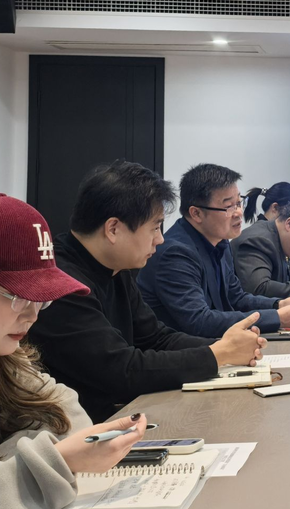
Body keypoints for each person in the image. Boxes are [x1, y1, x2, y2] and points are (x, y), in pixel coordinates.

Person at [0, 194, 150, 509]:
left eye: (41, 298)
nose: (32, 314)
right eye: (16, 295)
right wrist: (50, 463)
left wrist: (42, 458)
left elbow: (67, 417)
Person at [28, 161, 267, 421]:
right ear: (113, 229)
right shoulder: (61, 282)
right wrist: (218, 354)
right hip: (82, 429)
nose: (160, 239)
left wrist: (224, 345)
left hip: (121, 416)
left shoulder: (115, 267)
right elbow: (121, 371)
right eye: (154, 227)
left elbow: (156, 338)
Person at [137, 164, 290, 338]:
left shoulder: (220, 242)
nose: (238, 213)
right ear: (196, 213)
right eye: (229, 206)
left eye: (239, 203)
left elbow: (236, 298)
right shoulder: (176, 253)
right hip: (185, 350)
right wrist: (277, 318)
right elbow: (199, 321)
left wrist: (279, 304)